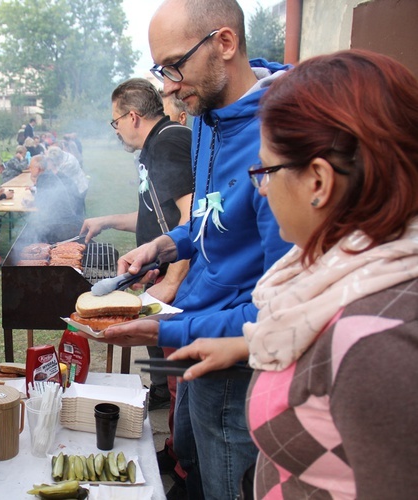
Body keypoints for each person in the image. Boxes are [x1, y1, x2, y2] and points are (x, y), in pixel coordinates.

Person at [167, 49, 418, 499]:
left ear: (318, 182)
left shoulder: (378, 348)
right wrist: (247, 342)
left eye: (264, 170)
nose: (260, 187)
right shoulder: (351, 277)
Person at [88, 1, 292, 498]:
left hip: (239, 356)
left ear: (225, 43)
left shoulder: (282, 136)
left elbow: (282, 311)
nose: (168, 87)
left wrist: (165, 327)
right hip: (197, 323)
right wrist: (164, 244)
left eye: (174, 66)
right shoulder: (205, 116)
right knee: (190, 465)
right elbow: (207, 217)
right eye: (161, 70)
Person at [81, 78, 194, 413]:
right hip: (164, 266)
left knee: (181, 376)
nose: (116, 131)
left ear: (132, 117)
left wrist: (172, 282)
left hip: (182, 272)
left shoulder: (169, 141)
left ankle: (182, 461)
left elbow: (192, 215)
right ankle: (175, 441)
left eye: (115, 122)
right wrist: (107, 221)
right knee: (171, 371)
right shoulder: (156, 145)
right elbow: (155, 215)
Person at [28, 153, 85, 242]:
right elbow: (47, 201)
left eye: (30, 167)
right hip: (64, 223)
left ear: (38, 168)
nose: (29, 169)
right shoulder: (47, 176)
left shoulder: (44, 178)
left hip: (63, 226)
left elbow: (42, 207)